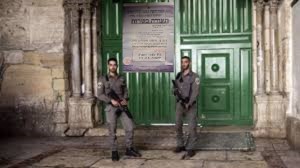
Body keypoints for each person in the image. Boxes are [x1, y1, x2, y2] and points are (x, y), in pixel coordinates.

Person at [97, 57, 141, 161]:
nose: (113, 66)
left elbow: (125, 90)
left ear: (117, 66)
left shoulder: (121, 78)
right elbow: (99, 94)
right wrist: (110, 101)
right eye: (111, 65)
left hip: (122, 106)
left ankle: (129, 148)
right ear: (108, 66)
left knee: (130, 127)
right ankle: (114, 151)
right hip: (111, 107)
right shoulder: (103, 79)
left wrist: (125, 99)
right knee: (112, 130)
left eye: (114, 65)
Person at [172, 56, 200, 159]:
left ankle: (191, 148)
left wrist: (189, 103)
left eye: (186, 62)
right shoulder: (179, 75)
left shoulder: (195, 76)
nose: (184, 64)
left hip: (190, 105)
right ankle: (180, 145)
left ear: (190, 63)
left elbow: (195, 92)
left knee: (192, 127)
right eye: (182, 62)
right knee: (177, 125)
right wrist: (174, 91)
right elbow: (174, 88)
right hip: (180, 104)